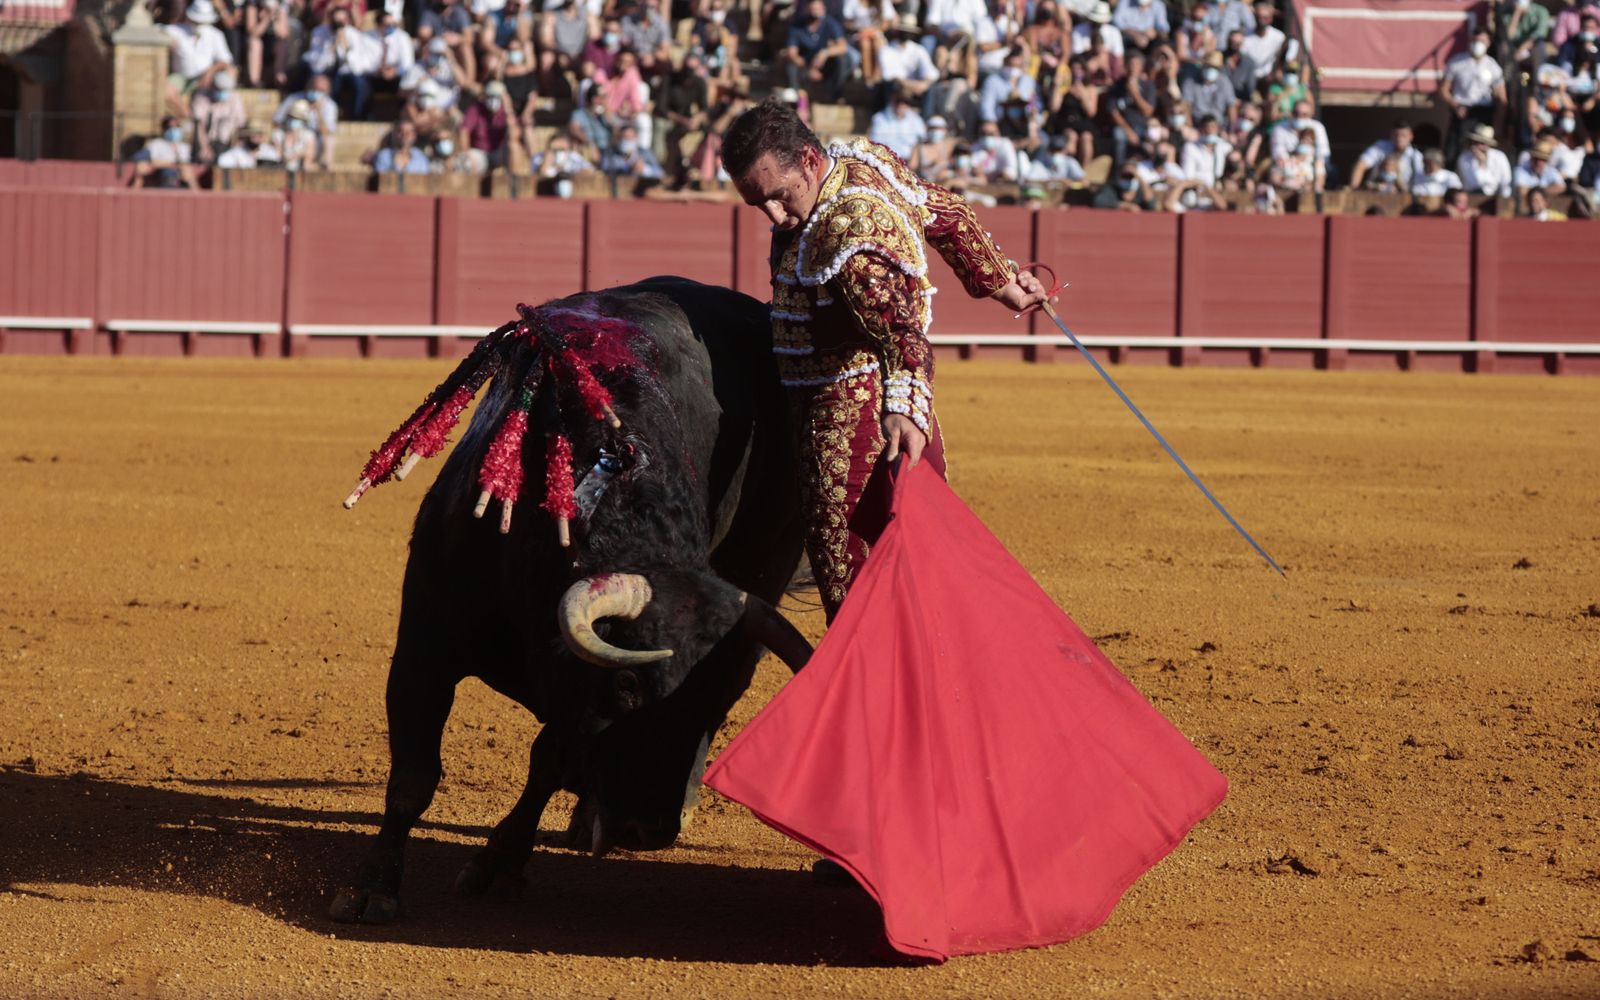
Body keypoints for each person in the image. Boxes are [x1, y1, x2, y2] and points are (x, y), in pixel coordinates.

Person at [720, 98, 1046, 621]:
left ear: (807, 159)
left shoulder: (848, 230)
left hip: (849, 426)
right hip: (864, 410)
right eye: (758, 204)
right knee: (914, 580)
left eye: (778, 197)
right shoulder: (864, 161)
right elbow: (947, 213)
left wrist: (905, 407)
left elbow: (902, 334)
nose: (775, 216)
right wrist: (1002, 282)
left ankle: (884, 695)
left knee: (851, 585)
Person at [1440, 28, 1506, 163]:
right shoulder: (1456, 62)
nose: (1478, 44)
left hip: (1484, 112)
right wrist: (1455, 105)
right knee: (1454, 150)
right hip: (1462, 111)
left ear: (1488, 43)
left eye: (1482, 41)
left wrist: (1499, 124)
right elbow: (1443, 90)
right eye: (1475, 40)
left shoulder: (1493, 66)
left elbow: (1501, 97)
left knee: (1481, 150)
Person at [1349, 119, 1423, 191]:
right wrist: (1354, 190)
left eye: (1403, 135)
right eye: (1396, 135)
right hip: (1376, 191)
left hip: (1402, 193)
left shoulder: (1416, 156)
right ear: (1391, 134)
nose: (1399, 138)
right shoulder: (1379, 146)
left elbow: (1420, 181)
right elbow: (1360, 165)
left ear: (1411, 136)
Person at [1456, 122, 1513, 198]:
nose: (1478, 146)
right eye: (1476, 142)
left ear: (1489, 145)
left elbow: (1506, 183)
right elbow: (1471, 184)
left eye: (1482, 143)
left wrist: (1503, 202)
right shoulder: (1464, 158)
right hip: (1471, 198)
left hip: (1495, 199)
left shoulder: (1500, 157)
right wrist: (1481, 163)